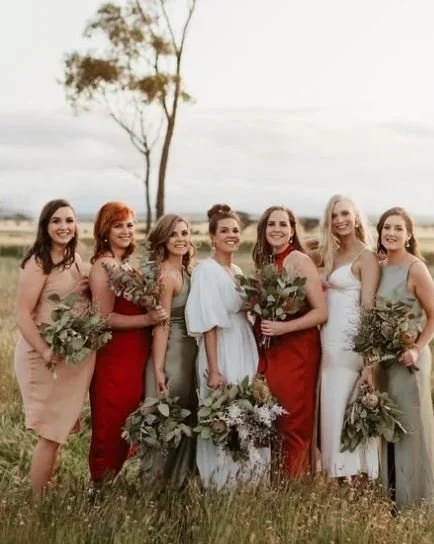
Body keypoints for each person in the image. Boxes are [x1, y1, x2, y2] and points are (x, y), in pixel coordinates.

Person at [14, 199, 95, 496]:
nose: (64, 227)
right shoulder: (38, 262)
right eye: (56, 221)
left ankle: (44, 487)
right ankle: (37, 502)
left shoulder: (74, 259)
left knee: (57, 431)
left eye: (69, 221)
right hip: (42, 357)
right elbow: (22, 315)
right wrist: (46, 351)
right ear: (45, 227)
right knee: (50, 432)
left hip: (65, 358)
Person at [185, 204, 269, 488]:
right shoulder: (206, 271)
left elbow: (242, 311)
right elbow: (209, 322)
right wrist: (214, 368)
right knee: (224, 413)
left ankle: (248, 478)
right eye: (224, 231)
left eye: (235, 230)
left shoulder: (235, 269)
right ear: (212, 237)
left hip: (243, 343)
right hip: (220, 347)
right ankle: (222, 482)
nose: (231, 235)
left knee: (246, 408)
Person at [88, 201, 167, 485]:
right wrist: (147, 321)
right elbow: (103, 318)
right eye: (118, 225)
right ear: (105, 230)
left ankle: (112, 481)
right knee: (110, 424)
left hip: (134, 358)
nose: (126, 231)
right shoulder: (103, 265)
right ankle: (98, 486)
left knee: (125, 422)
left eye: (130, 225)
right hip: (115, 359)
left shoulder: (124, 264)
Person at [253, 206, 326, 477]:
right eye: (271, 224)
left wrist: (284, 328)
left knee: (293, 419)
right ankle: (278, 483)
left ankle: (294, 486)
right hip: (273, 349)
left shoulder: (298, 260)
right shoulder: (267, 263)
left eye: (283, 224)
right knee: (276, 417)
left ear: (292, 230)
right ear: (264, 229)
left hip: (298, 349)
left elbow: (321, 311)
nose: (277, 229)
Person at [375, 207, 434, 506]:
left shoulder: (416, 268)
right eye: (387, 227)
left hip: (411, 361)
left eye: (398, 228)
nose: (391, 233)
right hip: (384, 362)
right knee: (388, 429)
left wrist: (415, 348)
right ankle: (392, 501)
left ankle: (418, 503)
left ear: (409, 235)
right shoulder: (380, 266)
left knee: (412, 429)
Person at [319, 194, 379, 480]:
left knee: (343, 404)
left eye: (345, 214)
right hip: (327, 343)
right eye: (334, 215)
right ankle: (335, 473)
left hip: (349, 343)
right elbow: (300, 246)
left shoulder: (366, 256)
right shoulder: (331, 253)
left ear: (356, 217)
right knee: (331, 405)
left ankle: (351, 475)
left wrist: (369, 362)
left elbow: (368, 310)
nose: (340, 220)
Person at [141, 214, 198, 487]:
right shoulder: (166, 276)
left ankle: (175, 485)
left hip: (189, 355)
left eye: (185, 233)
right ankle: (153, 485)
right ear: (164, 239)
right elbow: (161, 327)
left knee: (182, 421)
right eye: (174, 234)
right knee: (165, 421)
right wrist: (159, 369)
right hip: (172, 356)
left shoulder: (186, 271)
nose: (180, 239)